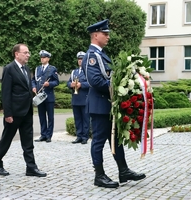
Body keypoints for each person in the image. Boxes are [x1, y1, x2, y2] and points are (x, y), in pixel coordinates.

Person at [82, 19, 146, 188]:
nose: (108, 36)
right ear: (96, 35)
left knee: (116, 140)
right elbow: (95, 81)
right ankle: (99, 175)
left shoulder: (102, 54)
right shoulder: (91, 56)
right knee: (98, 141)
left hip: (108, 105)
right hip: (99, 105)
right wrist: (119, 88)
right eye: (105, 34)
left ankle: (123, 170)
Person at [0, 44, 47, 178]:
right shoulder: (9, 69)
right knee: (7, 139)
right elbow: (6, 92)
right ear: (17, 54)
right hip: (14, 113)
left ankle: (31, 167)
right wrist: (7, 113)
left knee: (28, 141)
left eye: (28, 52)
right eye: (25, 52)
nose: (28, 55)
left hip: (27, 110)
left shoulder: (26, 69)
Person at [32, 50, 59, 143]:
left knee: (50, 117)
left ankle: (49, 135)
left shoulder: (52, 69)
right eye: (41, 57)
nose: (42, 59)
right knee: (41, 116)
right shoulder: (37, 69)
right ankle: (43, 134)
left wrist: (49, 84)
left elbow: (56, 82)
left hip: (49, 96)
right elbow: (33, 80)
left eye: (44, 58)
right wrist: (34, 87)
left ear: (48, 58)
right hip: (39, 96)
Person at [67, 51, 90, 144]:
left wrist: (82, 84)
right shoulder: (74, 72)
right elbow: (68, 83)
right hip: (75, 98)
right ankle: (79, 136)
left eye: (82, 59)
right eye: (79, 59)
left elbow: (91, 83)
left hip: (85, 98)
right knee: (77, 119)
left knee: (85, 119)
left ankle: (85, 137)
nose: (80, 61)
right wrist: (71, 84)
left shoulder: (88, 71)